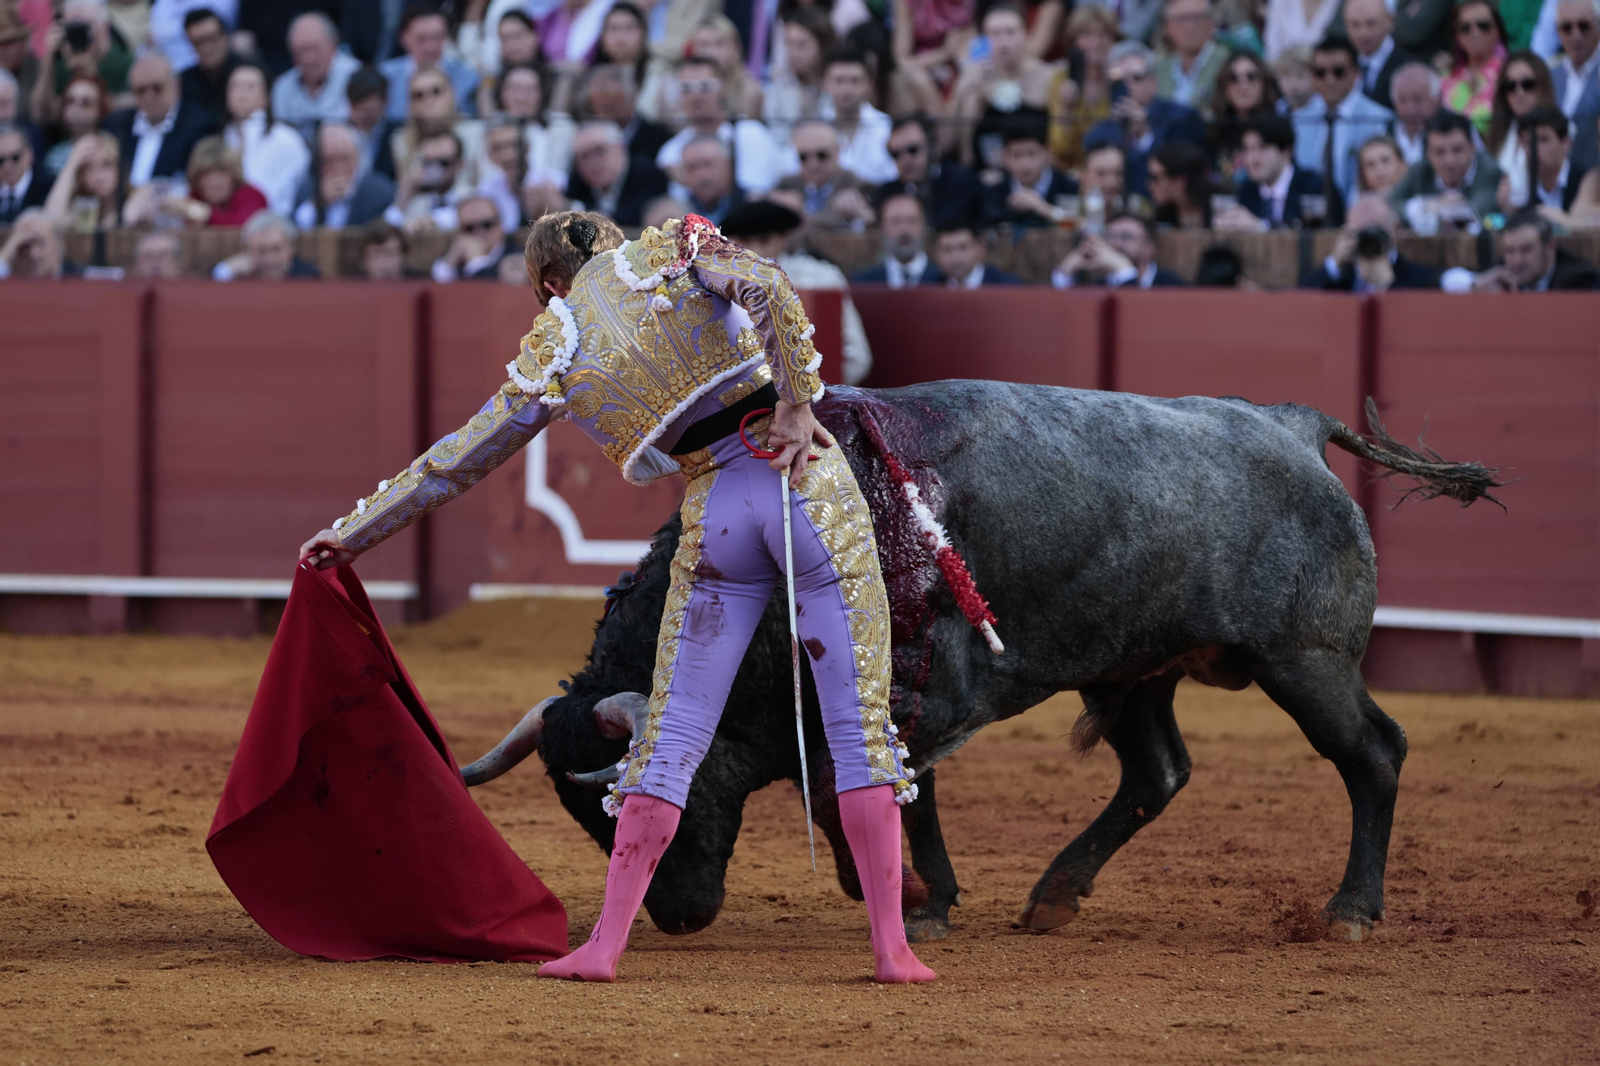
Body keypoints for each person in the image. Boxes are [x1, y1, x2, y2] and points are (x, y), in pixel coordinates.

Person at [298, 210, 935, 986]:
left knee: (669, 741)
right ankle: (891, 951)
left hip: (717, 514)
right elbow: (768, 285)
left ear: (546, 285)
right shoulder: (672, 249)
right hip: (804, 484)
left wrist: (351, 534)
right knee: (855, 729)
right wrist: (799, 407)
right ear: (610, 239)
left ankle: (602, 948)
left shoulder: (556, 343)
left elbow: (454, 461)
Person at [720, 199, 873, 384]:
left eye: (762, 240)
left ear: (780, 239)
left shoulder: (820, 278)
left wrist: (813, 395)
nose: (749, 250)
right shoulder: (719, 285)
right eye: (737, 243)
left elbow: (857, 358)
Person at [1085, 41, 1206, 199]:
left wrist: (1145, 135)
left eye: (1136, 77)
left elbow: (1182, 175)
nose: (1127, 86)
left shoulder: (1182, 118)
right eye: (1119, 79)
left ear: (1153, 82)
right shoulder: (1103, 130)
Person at [655, 56, 787, 195]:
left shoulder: (751, 134)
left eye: (705, 86)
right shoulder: (670, 152)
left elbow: (757, 194)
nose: (696, 96)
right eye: (686, 88)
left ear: (723, 89)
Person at [1292, 35, 1395, 202]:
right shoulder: (1298, 121)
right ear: (1312, 76)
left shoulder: (1380, 119)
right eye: (1321, 73)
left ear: (1356, 73)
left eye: (1338, 72)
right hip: (1309, 216)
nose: (1330, 80)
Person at [952, 4, 1057, 165]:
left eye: (1010, 32)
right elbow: (947, 132)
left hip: (1037, 166)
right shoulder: (975, 75)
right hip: (988, 170)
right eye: (995, 34)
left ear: (1026, 34)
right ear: (984, 38)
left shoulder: (1047, 76)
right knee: (970, 97)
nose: (1003, 42)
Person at [106, 54, 216, 189]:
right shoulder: (118, 124)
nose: (149, 96)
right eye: (140, 90)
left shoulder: (199, 125)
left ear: (176, 85)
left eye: (157, 88)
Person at [1221, 112, 1344, 227]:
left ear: (1286, 151)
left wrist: (1261, 227)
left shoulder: (1316, 188)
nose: (1251, 160)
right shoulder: (1247, 191)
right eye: (1246, 149)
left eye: (1262, 148)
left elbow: (1319, 236)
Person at [1388, 110, 1503, 228]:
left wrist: (1427, 210)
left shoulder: (1489, 171)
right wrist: (1430, 204)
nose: (1449, 160)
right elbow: (1389, 206)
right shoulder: (1419, 170)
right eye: (1439, 152)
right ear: (1428, 153)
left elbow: (1476, 214)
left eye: (1457, 150)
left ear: (1472, 147)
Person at [223, 63, 311, 217]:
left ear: (266, 96)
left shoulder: (286, 139)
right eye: (235, 87)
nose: (241, 94)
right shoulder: (224, 136)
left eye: (250, 87)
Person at [1301, 193, 1441, 289]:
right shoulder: (1342, 275)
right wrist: (1334, 264)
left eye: (1373, 231)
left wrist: (1390, 285)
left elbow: (1419, 320)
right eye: (1357, 232)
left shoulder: (1422, 278)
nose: (1365, 240)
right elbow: (1301, 303)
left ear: (1395, 231)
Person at [1442, 204, 1600, 288]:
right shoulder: (1501, 272)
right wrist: (1476, 283)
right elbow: (1442, 280)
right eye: (1510, 251)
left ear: (1550, 245)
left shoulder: (1579, 278)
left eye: (1527, 250)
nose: (1517, 260)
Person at [127, 133, 267, 225]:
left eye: (222, 172)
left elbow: (241, 227)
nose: (214, 181)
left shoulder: (251, 195)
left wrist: (193, 210)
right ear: (196, 178)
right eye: (206, 174)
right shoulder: (194, 196)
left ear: (234, 175)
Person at [1045, 5, 1120, 175]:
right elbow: (1059, 149)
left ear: (1113, 40)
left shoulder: (1121, 81)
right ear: (1074, 41)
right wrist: (1066, 108)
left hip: (1113, 175)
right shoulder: (1060, 79)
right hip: (1071, 174)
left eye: (1103, 35)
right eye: (1086, 35)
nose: (1096, 43)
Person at [874, 115, 983, 229]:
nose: (905, 160)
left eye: (913, 150)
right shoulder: (887, 195)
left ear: (934, 148)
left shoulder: (964, 182)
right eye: (895, 154)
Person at [381, 6, 481, 122]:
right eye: (422, 38)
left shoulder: (469, 77)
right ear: (404, 38)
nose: (430, 47)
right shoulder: (385, 77)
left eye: (437, 37)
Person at [293, 122, 396, 230]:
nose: (338, 167)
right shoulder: (307, 190)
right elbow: (297, 231)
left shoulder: (380, 192)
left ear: (356, 157)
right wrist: (319, 203)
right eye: (329, 160)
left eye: (343, 158)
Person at [775, 120, 877, 229]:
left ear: (837, 151)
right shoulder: (785, 186)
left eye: (821, 155)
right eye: (803, 157)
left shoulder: (860, 187)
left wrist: (866, 217)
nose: (813, 165)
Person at [816, 47, 896, 184]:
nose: (847, 89)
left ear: (869, 85)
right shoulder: (814, 128)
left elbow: (894, 175)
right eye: (839, 81)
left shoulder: (886, 126)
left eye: (855, 81)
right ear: (826, 84)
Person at [1487, 52, 1559, 205]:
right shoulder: (1499, 132)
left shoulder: (1562, 131)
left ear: (1543, 86)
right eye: (1510, 86)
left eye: (1528, 84)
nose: (1519, 93)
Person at [981, 117, 1079, 228]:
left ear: (1046, 152)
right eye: (1016, 155)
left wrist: (1044, 208)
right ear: (1005, 156)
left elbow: (1077, 226)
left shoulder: (1068, 186)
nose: (1024, 164)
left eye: (1031, 154)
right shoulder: (995, 193)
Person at [272, 13, 363, 132]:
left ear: (333, 44)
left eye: (314, 48)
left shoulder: (356, 76)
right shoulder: (283, 86)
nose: (308, 58)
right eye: (300, 51)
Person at [565, 118, 667, 225]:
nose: (593, 163)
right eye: (584, 156)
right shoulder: (577, 182)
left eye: (599, 151)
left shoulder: (649, 176)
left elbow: (633, 219)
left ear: (620, 148)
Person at [1052, 212, 1186, 288]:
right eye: (1110, 236)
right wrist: (1065, 273)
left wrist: (1125, 271)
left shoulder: (1172, 284)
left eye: (1126, 237)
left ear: (1149, 247)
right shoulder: (1100, 286)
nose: (1116, 243)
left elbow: (1137, 312)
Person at [577, 64, 671, 164]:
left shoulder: (658, 137)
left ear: (632, 98)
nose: (607, 115)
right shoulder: (585, 140)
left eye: (613, 106)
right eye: (601, 108)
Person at [1496, 106, 1587, 210]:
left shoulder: (1585, 181)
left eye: (1543, 140)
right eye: (1529, 142)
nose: (1535, 149)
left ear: (1565, 143)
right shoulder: (1520, 186)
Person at [1206, 51, 1281, 174]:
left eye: (1251, 77)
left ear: (1264, 83)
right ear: (1225, 87)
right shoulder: (1214, 132)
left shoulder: (1280, 130)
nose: (1243, 85)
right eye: (1233, 78)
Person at [1441, 0, 1509, 134]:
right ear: (1458, 36)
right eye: (1465, 28)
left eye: (1483, 25)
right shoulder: (1444, 79)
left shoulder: (1510, 73)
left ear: (1497, 30)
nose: (1475, 32)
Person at [764, 6, 832, 138]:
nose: (793, 54)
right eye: (789, 44)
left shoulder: (837, 82)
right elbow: (774, 135)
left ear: (822, 45)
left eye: (801, 44)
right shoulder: (778, 86)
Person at [388, 128, 470, 234]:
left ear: (460, 165)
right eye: (428, 162)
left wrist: (433, 221)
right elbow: (387, 230)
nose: (435, 169)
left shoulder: (469, 196)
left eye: (443, 163)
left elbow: (461, 217)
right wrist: (405, 197)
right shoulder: (416, 201)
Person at [1153, 0, 1229, 110]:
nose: (1189, 26)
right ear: (1167, 27)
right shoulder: (1159, 70)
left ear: (1211, 22)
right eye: (1181, 19)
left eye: (1196, 17)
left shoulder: (1227, 63)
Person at [1342, 0, 1418, 110]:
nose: (1363, 33)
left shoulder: (1410, 68)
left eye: (1371, 23)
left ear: (1390, 21)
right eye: (1355, 25)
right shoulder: (1338, 67)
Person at [40, 130, 120, 230]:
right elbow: (51, 219)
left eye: (106, 164)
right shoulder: (81, 207)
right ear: (80, 177)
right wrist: (71, 164)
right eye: (89, 168)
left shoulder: (135, 197)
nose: (98, 176)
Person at [852, 191, 935, 286]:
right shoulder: (864, 282)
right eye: (895, 221)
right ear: (882, 228)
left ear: (924, 226)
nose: (904, 229)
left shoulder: (944, 280)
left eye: (912, 221)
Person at [179, 7, 244, 124]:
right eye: (199, 42)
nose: (207, 47)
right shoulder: (184, 82)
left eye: (211, 38)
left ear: (225, 36)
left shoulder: (248, 72)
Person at [213, 210, 320, 280]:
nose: (269, 259)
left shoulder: (309, 277)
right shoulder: (237, 274)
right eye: (261, 251)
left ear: (291, 248)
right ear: (248, 251)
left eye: (276, 249)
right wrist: (226, 271)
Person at [431, 193, 513, 281]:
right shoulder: (457, 258)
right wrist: (449, 264)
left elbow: (491, 292)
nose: (479, 232)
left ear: (501, 225)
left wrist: (476, 262)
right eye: (469, 228)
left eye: (486, 224)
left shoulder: (518, 257)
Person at [927, 218, 1023, 285]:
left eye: (963, 247)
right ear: (935, 252)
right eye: (947, 250)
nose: (956, 257)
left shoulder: (1006, 285)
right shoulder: (928, 286)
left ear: (980, 247)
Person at [1548, 0, 1600, 123]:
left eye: (1583, 26)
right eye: (1567, 28)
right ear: (1558, 32)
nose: (1576, 35)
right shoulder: (1551, 74)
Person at [346, 65, 399, 180]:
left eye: (370, 111)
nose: (364, 116)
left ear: (385, 103)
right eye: (358, 109)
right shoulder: (340, 135)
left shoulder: (398, 134)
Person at [678, 135, 743, 223]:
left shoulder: (752, 204)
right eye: (692, 168)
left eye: (708, 164)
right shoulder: (676, 215)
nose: (701, 174)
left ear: (729, 166)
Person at [1148, 138, 1212, 226]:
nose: (1151, 185)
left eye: (1155, 178)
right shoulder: (1159, 217)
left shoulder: (1221, 211)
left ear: (1180, 182)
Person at [0, 207, 76, 277]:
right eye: (25, 246)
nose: (33, 254)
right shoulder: (11, 282)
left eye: (41, 244)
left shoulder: (80, 277)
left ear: (58, 246)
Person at [0, 121, 52, 224]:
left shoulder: (49, 187)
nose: (7, 166)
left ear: (30, 155)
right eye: (0, 160)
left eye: (15, 157)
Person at [1389, 62, 1440, 164]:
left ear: (1436, 99)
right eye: (1403, 100)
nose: (1410, 108)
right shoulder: (1382, 130)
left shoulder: (1456, 128)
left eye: (1417, 99)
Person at [1265, 0, 1341, 64]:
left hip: (1330, 74)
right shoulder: (1281, 2)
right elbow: (1272, 49)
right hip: (1287, 74)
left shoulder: (1340, 3)